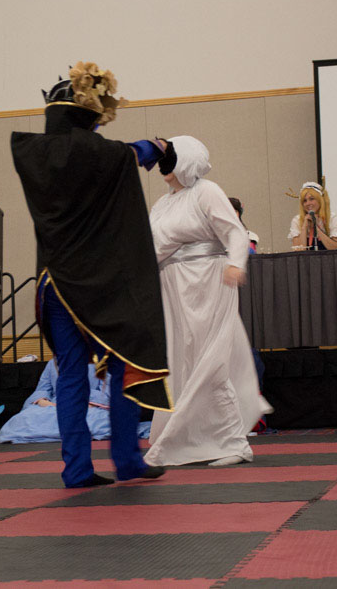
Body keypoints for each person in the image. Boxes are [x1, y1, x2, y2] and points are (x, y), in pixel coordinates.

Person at [11, 61, 171, 488]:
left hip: (53, 285)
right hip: (100, 287)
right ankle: (127, 460)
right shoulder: (102, 154)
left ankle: (77, 469)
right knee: (123, 363)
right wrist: (159, 145)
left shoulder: (31, 153)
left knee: (70, 375)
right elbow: (138, 152)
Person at [144, 136, 272, 467]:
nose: (162, 166)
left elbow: (234, 232)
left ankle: (236, 443)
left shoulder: (207, 191)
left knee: (210, 360)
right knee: (185, 361)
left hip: (207, 281)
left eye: (170, 158)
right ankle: (195, 439)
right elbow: (152, 247)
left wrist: (236, 263)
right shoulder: (162, 204)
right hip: (174, 286)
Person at [0, 359, 111, 443]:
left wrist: (87, 402)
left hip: (87, 403)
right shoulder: (53, 363)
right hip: (55, 404)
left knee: (97, 418)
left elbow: (106, 390)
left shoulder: (100, 361)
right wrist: (42, 401)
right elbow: (43, 388)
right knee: (24, 417)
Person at [289, 181, 337, 250]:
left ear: (320, 200)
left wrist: (316, 228)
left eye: (311, 199)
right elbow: (298, 251)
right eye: (305, 201)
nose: (308, 203)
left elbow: (336, 248)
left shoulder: (332, 218)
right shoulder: (297, 220)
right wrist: (305, 226)